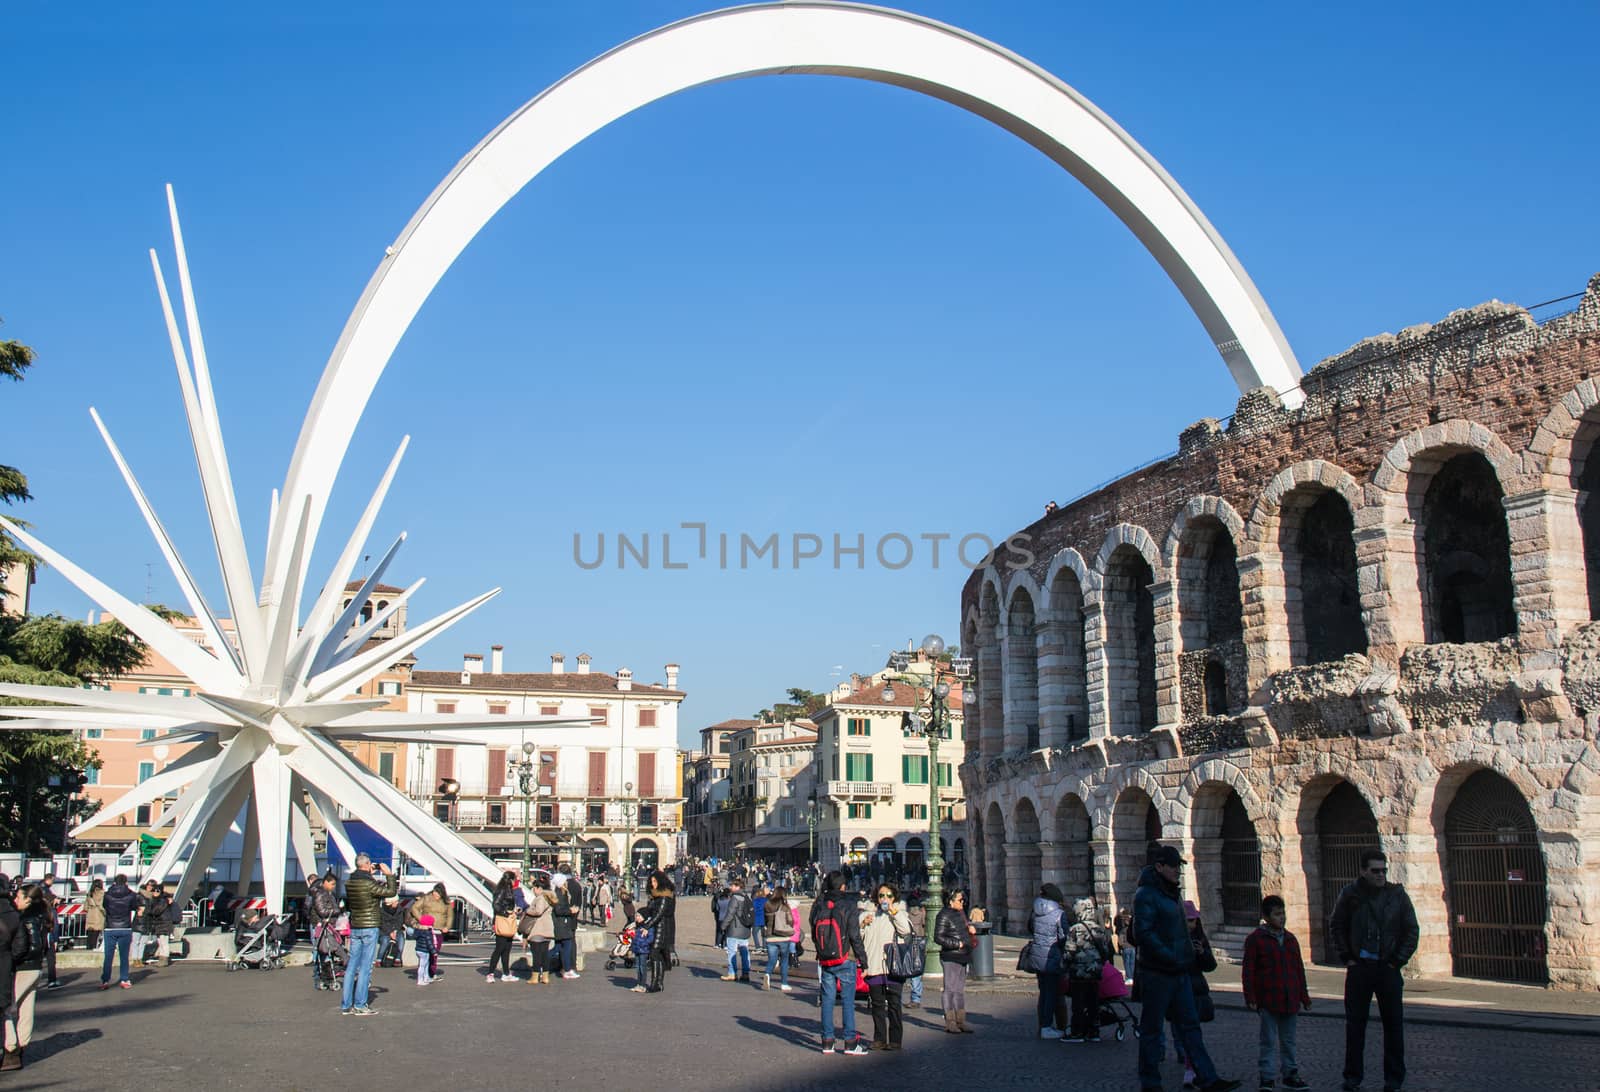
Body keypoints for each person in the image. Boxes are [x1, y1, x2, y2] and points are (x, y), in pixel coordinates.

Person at [1133, 845, 1240, 1092]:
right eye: (1173, 866)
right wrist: (1169, 955)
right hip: (1157, 972)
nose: (1177, 871)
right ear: (1159, 867)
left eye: (1178, 866)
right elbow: (1144, 933)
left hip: (1179, 971)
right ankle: (1150, 1083)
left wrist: (1188, 954)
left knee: (1190, 1027)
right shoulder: (1146, 894)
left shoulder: (1172, 893)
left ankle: (1208, 1078)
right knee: (1152, 1030)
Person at [1329, 848, 1418, 1092]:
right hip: (1360, 968)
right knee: (1355, 1025)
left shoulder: (1397, 895)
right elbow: (1336, 926)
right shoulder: (1350, 894)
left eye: (1383, 870)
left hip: (1387, 968)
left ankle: (1394, 1078)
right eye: (1375, 871)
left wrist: (1396, 962)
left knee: (1393, 1026)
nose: (1380, 875)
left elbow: (1411, 930)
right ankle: (1353, 1076)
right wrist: (1347, 958)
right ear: (1363, 871)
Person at [1243, 894, 1312, 1092]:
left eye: (1283, 913)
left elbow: (1299, 969)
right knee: (1268, 1040)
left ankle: (1290, 1073)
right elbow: (1248, 971)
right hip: (1268, 999)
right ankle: (1267, 1076)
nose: (1282, 918)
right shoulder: (1256, 940)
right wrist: (1251, 997)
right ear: (1266, 916)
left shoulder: (1290, 939)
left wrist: (1304, 997)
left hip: (1290, 998)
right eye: (1277, 914)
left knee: (1289, 1040)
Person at [810, 870, 870, 1055]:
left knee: (827, 999)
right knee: (847, 1000)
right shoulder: (848, 904)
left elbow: (813, 929)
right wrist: (863, 960)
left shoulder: (819, 903)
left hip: (825, 958)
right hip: (845, 957)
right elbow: (854, 935)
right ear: (843, 886)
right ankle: (850, 1041)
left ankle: (827, 1041)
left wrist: (821, 950)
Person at [341, 852, 397, 1015]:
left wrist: (368, 875)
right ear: (366, 865)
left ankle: (346, 1004)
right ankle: (360, 1004)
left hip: (356, 925)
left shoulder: (350, 882)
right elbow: (390, 892)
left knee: (352, 966)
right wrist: (388, 875)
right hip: (370, 925)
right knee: (365, 967)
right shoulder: (368, 883)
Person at [4, 883, 51, 1071]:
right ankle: (22, 1044)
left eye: (19, 897)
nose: (15, 900)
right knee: (26, 1008)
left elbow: (24, 946)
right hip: (36, 967)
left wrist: (11, 959)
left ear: (28, 900)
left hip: (24, 967)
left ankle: (11, 1047)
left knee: (5, 1007)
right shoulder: (42, 916)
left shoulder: (25, 919)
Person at [861, 882, 912, 1051]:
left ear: (894, 897)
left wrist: (894, 912)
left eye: (889, 895)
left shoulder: (899, 912)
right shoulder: (869, 914)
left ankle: (896, 1039)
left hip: (893, 966)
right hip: (874, 965)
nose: (885, 898)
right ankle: (879, 1038)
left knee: (894, 1004)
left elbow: (905, 930)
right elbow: (859, 937)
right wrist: (863, 924)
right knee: (877, 1005)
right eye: (882, 895)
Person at [1062, 896, 1113, 1043]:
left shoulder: (1075, 929)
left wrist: (1064, 966)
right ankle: (1093, 1032)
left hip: (1078, 972)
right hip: (1095, 971)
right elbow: (1105, 950)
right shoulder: (1097, 929)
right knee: (1093, 1002)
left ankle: (1077, 1032)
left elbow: (1069, 951)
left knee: (1078, 1003)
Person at [1025, 882, 1068, 1040]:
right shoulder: (1059, 914)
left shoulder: (1035, 911)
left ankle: (1042, 1024)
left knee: (1043, 992)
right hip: (1052, 956)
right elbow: (1063, 936)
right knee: (1052, 993)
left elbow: (1029, 928)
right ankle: (1047, 1026)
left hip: (1037, 957)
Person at [934, 888, 977, 1035]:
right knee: (950, 989)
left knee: (959, 990)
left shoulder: (961, 914)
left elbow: (961, 932)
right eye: (960, 900)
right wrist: (956, 944)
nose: (962, 902)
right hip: (951, 955)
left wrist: (970, 930)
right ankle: (950, 1022)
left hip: (963, 955)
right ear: (951, 901)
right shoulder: (943, 915)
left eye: (963, 900)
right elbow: (938, 937)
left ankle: (961, 1020)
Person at [633, 870, 676, 994]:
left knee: (654, 953)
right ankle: (657, 983)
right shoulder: (655, 896)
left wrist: (646, 926)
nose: (653, 884)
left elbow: (659, 914)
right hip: (657, 927)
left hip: (662, 928)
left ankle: (655, 983)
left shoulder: (664, 895)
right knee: (658, 955)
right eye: (651, 881)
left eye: (655, 881)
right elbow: (651, 911)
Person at [98, 873, 141, 990]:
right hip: (125, 927)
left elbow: (105, 906)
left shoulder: (107, 895)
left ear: (114, 882)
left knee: (108, 956)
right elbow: (134, 907)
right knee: (124, 956)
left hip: (110, 927)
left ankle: (105, 980)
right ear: (126, 882)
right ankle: (124, 979)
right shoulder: (131, 894)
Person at [406, 883, 453, 980]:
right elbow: (414, 908)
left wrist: (447, 927)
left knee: (435, 952)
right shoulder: (426, 898)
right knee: (426, 951)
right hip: (427, 928)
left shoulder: (446, 902)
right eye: (435, 892)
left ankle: (431, 972)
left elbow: (450, 915)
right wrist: (421, 919)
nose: (436, 895)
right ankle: (425, 973)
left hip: (439, 929)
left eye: (438, 893)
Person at [309, 872, 343, 990]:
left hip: (325, 925)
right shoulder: (320, 894)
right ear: (326, 882)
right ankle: (321, 976)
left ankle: (325, 976)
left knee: (325, 952)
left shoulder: (327, 893)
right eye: (332, 884)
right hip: (321, 925)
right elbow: (322, 911)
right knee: (323, 951)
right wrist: (336, 910)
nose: (333, 886)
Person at [762, 886, 800, 992]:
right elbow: (790, 920)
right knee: (784, 960)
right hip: (783, 936)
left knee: (772, 959)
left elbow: (765, 920)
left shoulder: (767, 904)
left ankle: (767, 974)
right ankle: (784, 983)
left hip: (770, 936)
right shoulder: (785, 906)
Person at [486, 870, 520, 983]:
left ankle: (506, 973)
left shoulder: (506, 889)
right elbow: (496, 905)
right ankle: (490, 973)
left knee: (507, 949)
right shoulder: (502, 889)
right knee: (500, 948)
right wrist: (507, 912)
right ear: (510, 879)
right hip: (503, 920)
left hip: (507, 920)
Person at [718, 878, 754, 983]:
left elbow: (730, 914)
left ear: (738, 886)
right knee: (744, 952)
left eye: (732, 885)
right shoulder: (746, 897)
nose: (730, 887)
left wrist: (723, 926)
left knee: (732, 952)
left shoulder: (735, 898)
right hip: (745, 928)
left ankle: (732, 973)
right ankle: (746, 973)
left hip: (734, 929)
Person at [522, 875, 555, 985]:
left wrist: (528, 910)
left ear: (539, 888)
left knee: (537, 953)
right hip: (547, 928)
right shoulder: (549, 897)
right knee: (544, 953)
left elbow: (538, 911)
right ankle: (545, 976)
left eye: (534, 888)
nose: (533, 890)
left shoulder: (540, 898)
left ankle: (535, 976)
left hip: (538, 928)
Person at [550, 874, 580, 980]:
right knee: (566, 946)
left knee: (558, 947)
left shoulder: (561, 893)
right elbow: (559, 910)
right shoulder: (560, 894)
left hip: (561, 923)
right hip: (562, 924)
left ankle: (542, 963)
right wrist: (570, 911)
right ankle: (567, 970)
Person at [379, 895, 406, 968]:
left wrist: (395, 931)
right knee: (385, 940)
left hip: (396, 930)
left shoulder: (400, 909)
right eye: (396, 901)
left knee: (400, 938)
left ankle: (398, 958)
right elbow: (382, 923)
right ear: (391, 903)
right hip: (385, 931)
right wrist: (390, 931)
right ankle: (379, 959)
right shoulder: (381, 910)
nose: (398, 903)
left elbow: (400, 921)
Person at [413, 913, 438, 986]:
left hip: (418, 949)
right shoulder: (427, 932)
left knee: (425, 964)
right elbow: (429, 943)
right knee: (423, 965)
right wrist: (434, 951)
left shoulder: (418, 930)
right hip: (425, 950)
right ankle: (420, 980)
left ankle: (426, 977)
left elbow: (415, 937)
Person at [1115, 905, 1137, 982]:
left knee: (1126, 963)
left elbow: (1120, 941)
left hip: (1126, 948)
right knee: (1132, 963)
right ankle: (1132, 977)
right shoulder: (1133, 930)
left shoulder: (1122, 930)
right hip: (1132, 948)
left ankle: (1129, 977)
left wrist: (1121, 946)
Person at [85, 878, 106, 952]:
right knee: (96, 932)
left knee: (90, 932)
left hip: (90, 913)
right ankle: (94, 947)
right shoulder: (101, 893)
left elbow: (85, 907)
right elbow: (101, 905)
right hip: (98, 914)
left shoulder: (90, 893)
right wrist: (105, 913)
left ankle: (88, 946)